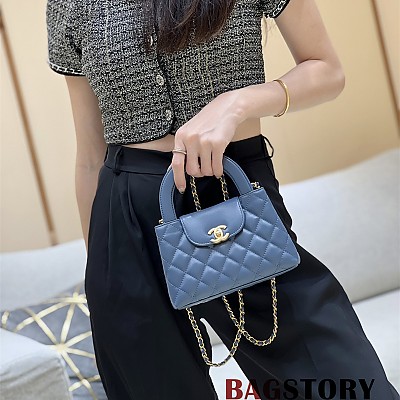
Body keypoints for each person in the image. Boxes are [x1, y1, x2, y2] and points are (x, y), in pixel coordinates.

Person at [46, 0, 399, 399]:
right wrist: (101, 273)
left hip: (232, 194)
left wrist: (236, 104)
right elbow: (90, 157)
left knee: (343, 379)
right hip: (123, 212)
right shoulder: (69, 5)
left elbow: (326, 70)